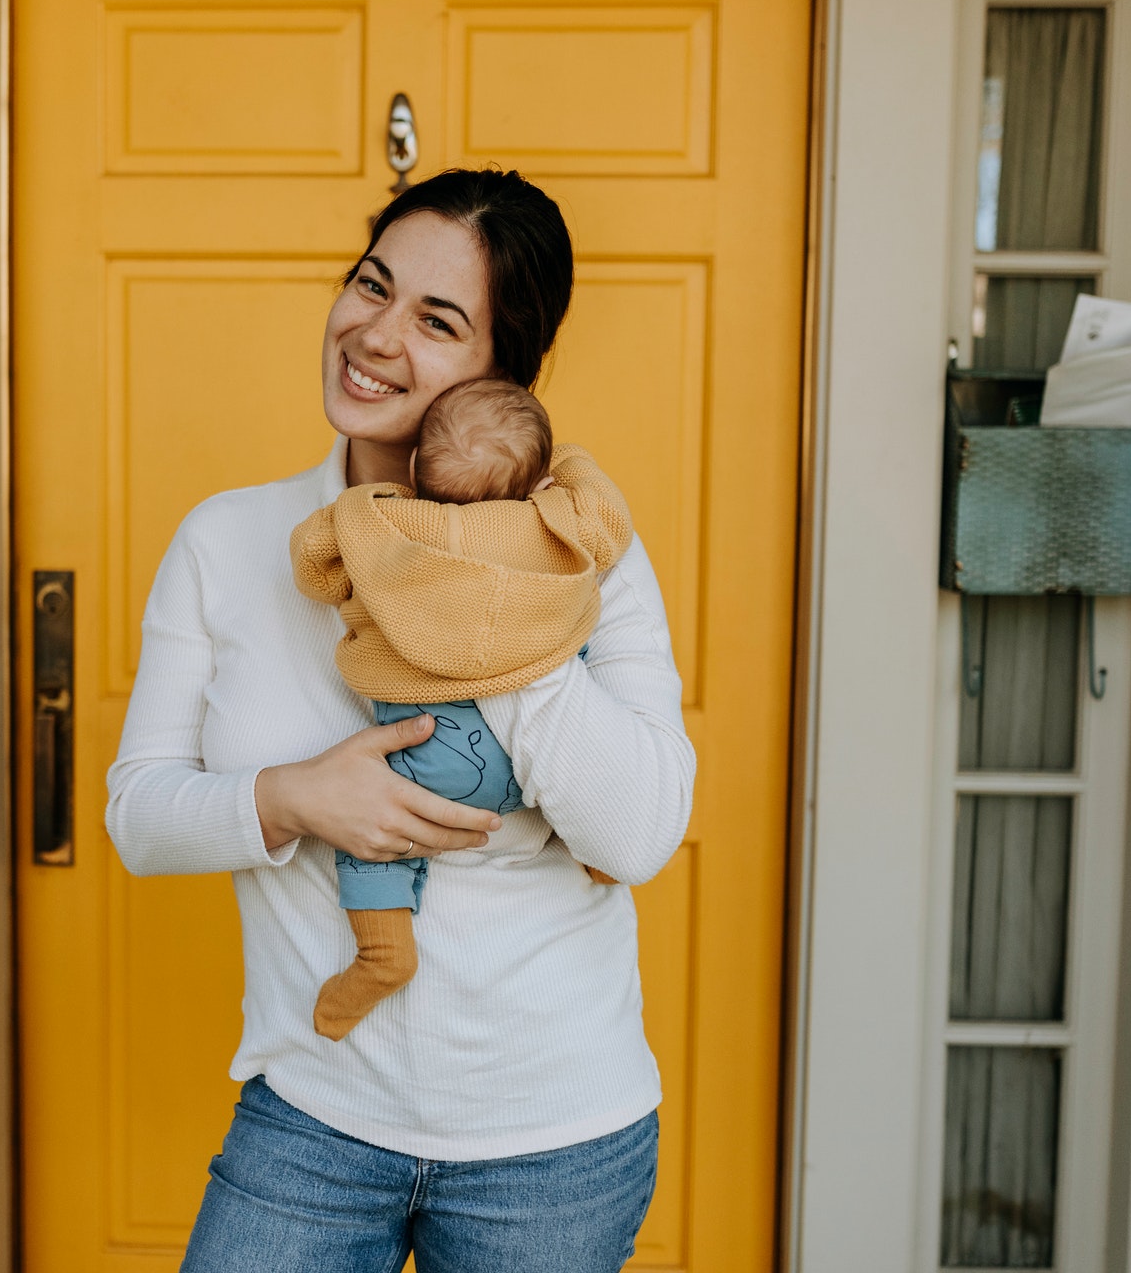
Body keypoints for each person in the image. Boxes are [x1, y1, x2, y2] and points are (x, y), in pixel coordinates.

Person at [105, 168, 696, 1273]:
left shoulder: (583, 549)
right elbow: (138, 815)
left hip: (554, 1148)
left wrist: (494, 601)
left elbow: (642, 831)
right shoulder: (231, 540)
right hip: (311, 1117)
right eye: (370, 285)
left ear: (501, 372)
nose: (373, 335)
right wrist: (293, 796)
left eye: (436, 319)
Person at [288, 378, 633, 1041]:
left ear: (416, 466)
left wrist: (363, 503)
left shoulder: (385, 523)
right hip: (528, 762)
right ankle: (597, 848)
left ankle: (384, 954)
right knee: (572, 671)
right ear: (533, 485)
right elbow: (608, 519)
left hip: (426, 755)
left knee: (375, 841)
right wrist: (567, 462)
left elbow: (315, 566)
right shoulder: (552, 522)